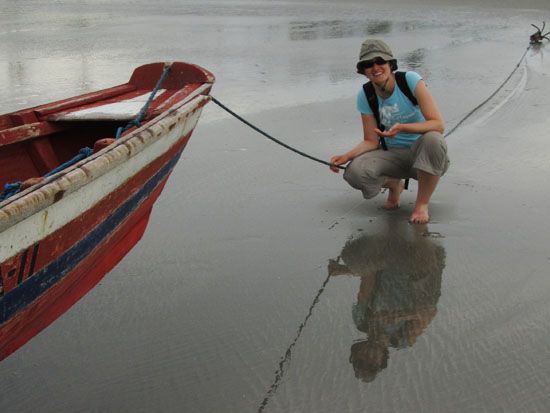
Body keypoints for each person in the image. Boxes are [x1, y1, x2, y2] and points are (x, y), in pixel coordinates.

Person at [330, 39, 449, 224]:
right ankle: (395, 185)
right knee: (355, 173)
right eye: (368, 64)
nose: (375, 67)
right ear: (363, 70)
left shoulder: (410, 81)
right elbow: (371, 140)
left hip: (423, 155)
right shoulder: (366, 94)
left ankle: (421, 205)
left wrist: (403, 127)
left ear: (390, 64)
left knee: (434, 139)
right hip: (392, 155)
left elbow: (438, 124)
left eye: (380, 61)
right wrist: (346, 156)